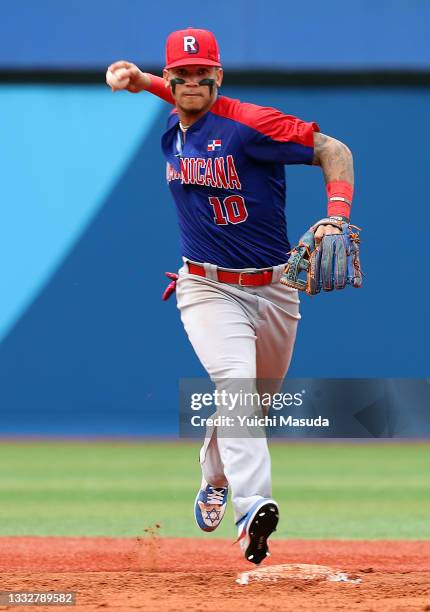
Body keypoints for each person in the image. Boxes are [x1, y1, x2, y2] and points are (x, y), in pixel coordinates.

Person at [106, 27, 355, 565]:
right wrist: (137, 80)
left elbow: (333, 149)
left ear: (219, 75)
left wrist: (337, 218)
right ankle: (253, 509)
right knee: (236, 387)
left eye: (203, 73)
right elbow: (174, 95)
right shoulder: (173, 123)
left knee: (251, 404)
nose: (192, 82)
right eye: (181, 75)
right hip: (205, 286)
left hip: (276, 290)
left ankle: (213, 474)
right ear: (170, 79)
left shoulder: (252, 125)